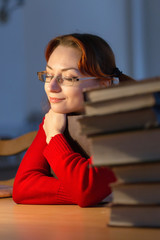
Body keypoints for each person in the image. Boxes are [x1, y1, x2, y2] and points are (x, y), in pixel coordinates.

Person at [13, 33, 134, 207]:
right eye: (48, 75)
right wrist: (92, 194)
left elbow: (85, 190)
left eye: (68, 78)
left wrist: (55, 137)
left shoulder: (126, 123)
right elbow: (23, 186)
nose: (52, 87)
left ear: (103, 84)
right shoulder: (56, 119)